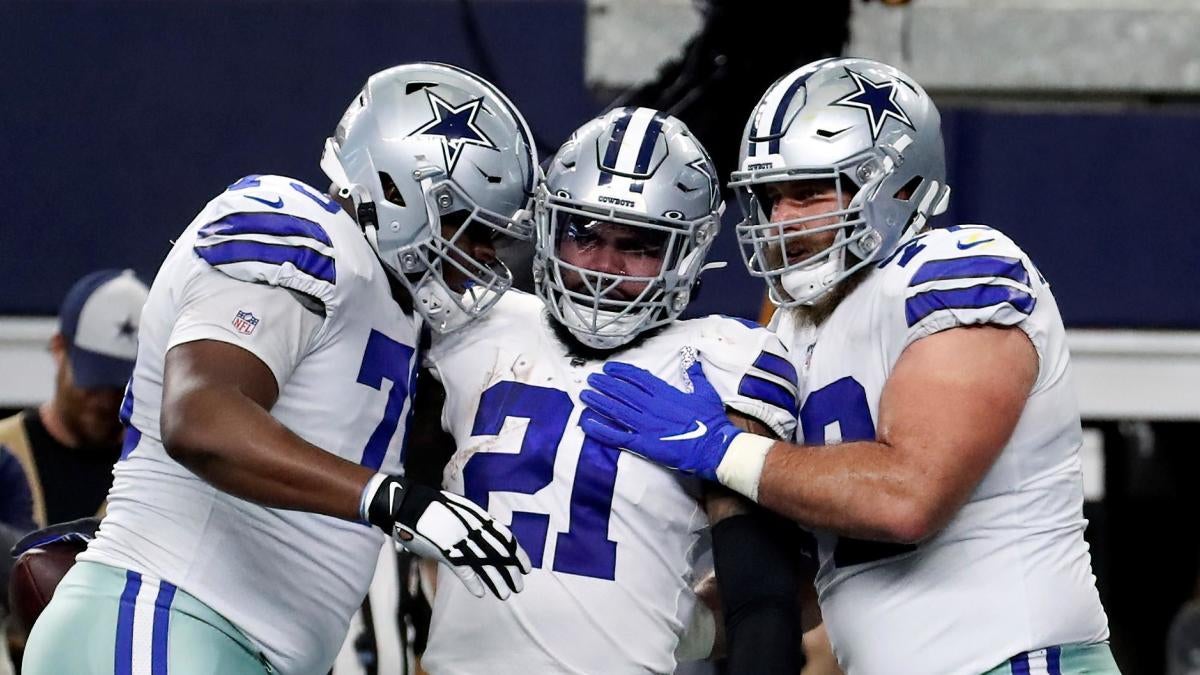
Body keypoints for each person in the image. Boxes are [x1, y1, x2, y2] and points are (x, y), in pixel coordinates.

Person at [580, 58, 1119, 675]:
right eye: (769, 196)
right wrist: (624, 622)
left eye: (809, 191)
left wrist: (720, 449)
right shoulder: (788, 329)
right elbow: (801, 581)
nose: (782, 219)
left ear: (897, 184)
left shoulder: (956, 269)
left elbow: (906, 497)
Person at [21, 62, 536, 675]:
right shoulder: (299, 228)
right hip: (170, 615)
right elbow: (200, 418)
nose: (479, 256)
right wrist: (393, 501)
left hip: (233, 645)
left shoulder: (393, 305)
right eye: (468, 227)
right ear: (397, 186)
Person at [408, 107, 802, 674]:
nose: (604, 267)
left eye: (639, 244)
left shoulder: (723, 359)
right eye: (583, 234)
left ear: (686, 254)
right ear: (547, 227)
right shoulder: (471, 324)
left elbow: (760, 595)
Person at [0, 269, 148, 672]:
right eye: (96, 380)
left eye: (123, 386)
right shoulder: (4, 453)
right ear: (58, 348)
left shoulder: (155, 476)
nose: (107, 399)